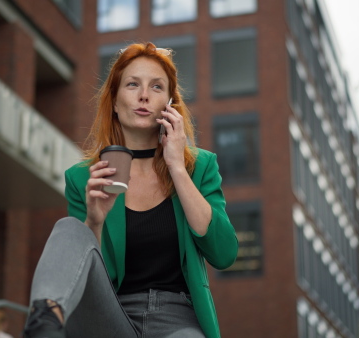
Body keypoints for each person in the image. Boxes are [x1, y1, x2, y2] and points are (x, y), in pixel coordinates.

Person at [23, 42, 239, 338]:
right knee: (70, 229)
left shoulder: (199, 167)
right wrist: (94, 222)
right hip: (110, 315)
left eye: (157, 87)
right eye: (132, 84)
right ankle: (45, 321)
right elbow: (88, 274)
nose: (143, 95)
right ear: (114, 100)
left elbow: (224, 254)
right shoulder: (83, 178)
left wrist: (177, 167)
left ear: (170, 104)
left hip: (177, 319)